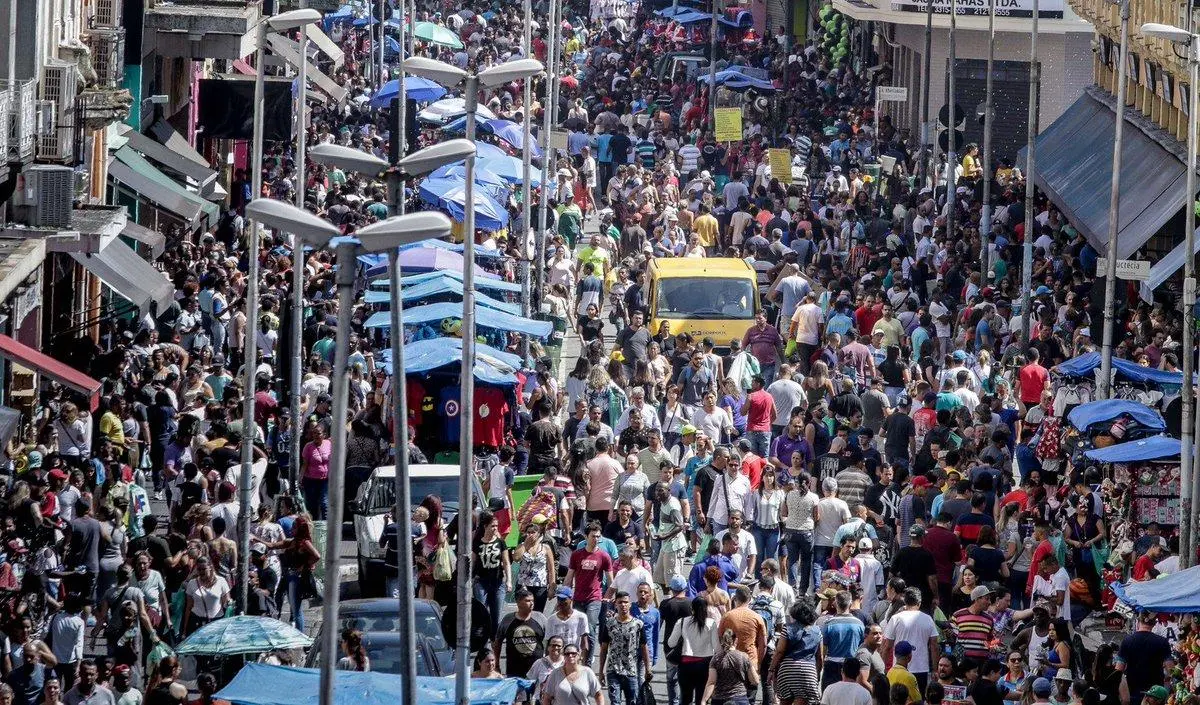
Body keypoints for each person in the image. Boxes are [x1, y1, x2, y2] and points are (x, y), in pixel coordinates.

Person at [598, 591, 650, 705]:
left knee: (632, 702)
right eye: (620, 602)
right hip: (613, 670)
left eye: (626, 602)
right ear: (615, 604)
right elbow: (604, 648)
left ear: (630, 604)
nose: (623, 605)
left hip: (631, 671)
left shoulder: (638, 624)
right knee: (615, 702)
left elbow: (644, 647)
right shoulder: (609, 624)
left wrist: (648, 669)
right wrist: (601, 671)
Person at [699, 628, 759, 705]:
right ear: (736, 640)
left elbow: (711, 682)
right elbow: (755, 681)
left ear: (722, 641)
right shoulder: (743, 657)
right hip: (739, 699)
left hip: (719, 700)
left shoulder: (716, 659)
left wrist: (704, 700)